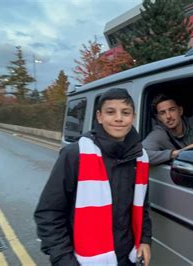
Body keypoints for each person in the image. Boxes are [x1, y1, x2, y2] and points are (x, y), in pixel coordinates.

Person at [34, 89, 152, 266]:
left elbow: (142, 206)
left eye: (125, 112)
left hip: (127, 257)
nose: (119, 118)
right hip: (83, 259)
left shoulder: (140, 157)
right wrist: (64, 260)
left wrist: (144, 240)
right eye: (110, 112)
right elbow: (49, 213)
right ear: (99, 116)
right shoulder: (75, 154)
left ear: (133, 117)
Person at [142, 94, 193, 166]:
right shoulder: (159, 134)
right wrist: (176, 153)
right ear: (159, 118)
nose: (168, 116)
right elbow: (140, 156)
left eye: (172, 110)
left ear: (180, 111)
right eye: (162, 113)